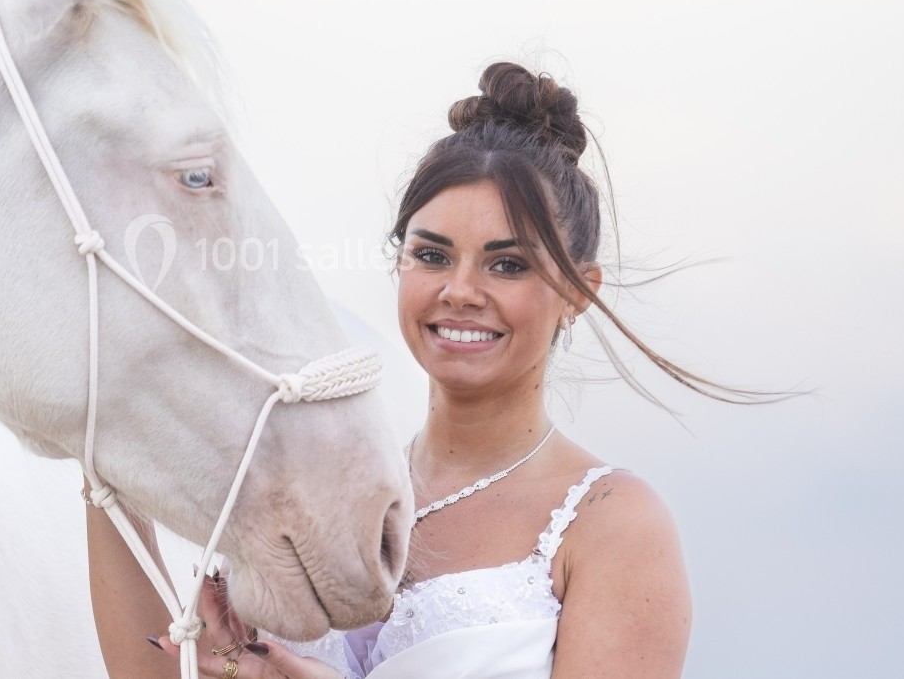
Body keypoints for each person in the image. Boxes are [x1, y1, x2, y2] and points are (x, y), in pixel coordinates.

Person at [86, 62, 703, 678]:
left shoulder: (613, 522)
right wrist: (104, 453)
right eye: (432, 255)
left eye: (507, 264)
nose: (459, 291)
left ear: (578, 291)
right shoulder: (326, 483)